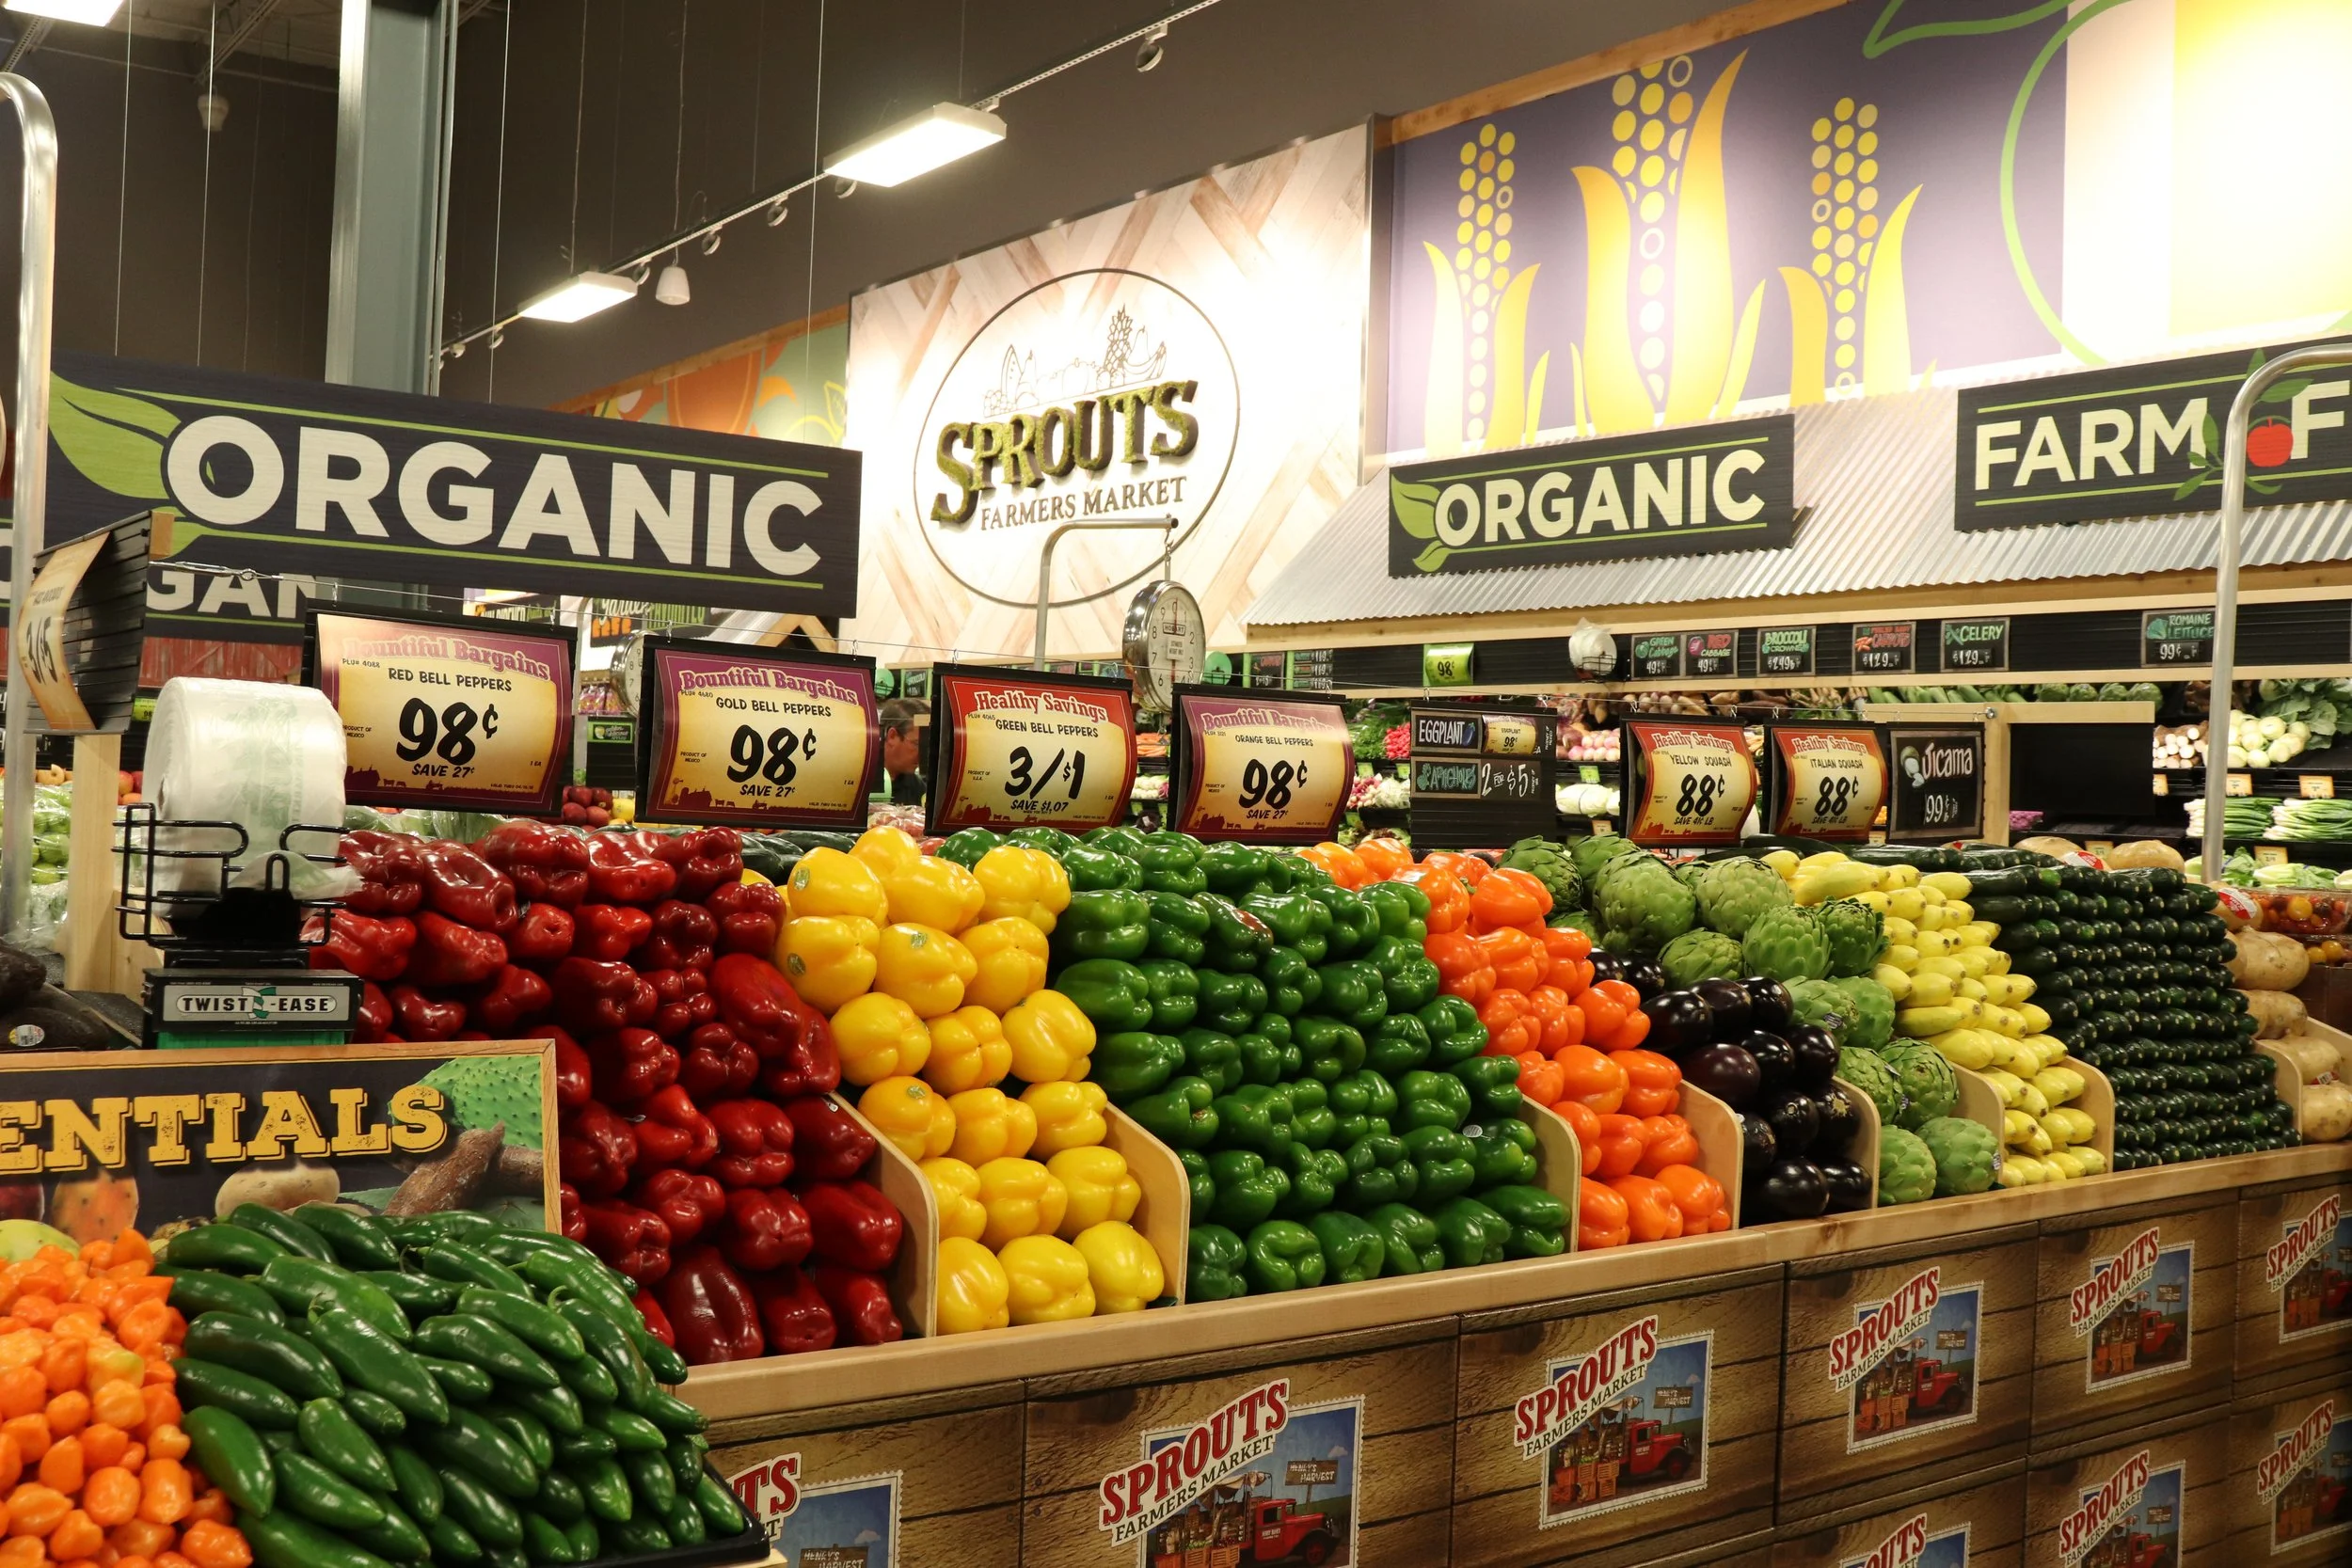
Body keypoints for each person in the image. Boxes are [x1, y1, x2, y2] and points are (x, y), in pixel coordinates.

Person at [880, 698, 930, 805]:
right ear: (892, 736)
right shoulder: (857, 780)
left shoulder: (917, 788)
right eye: (917, 744)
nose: (923, 754)